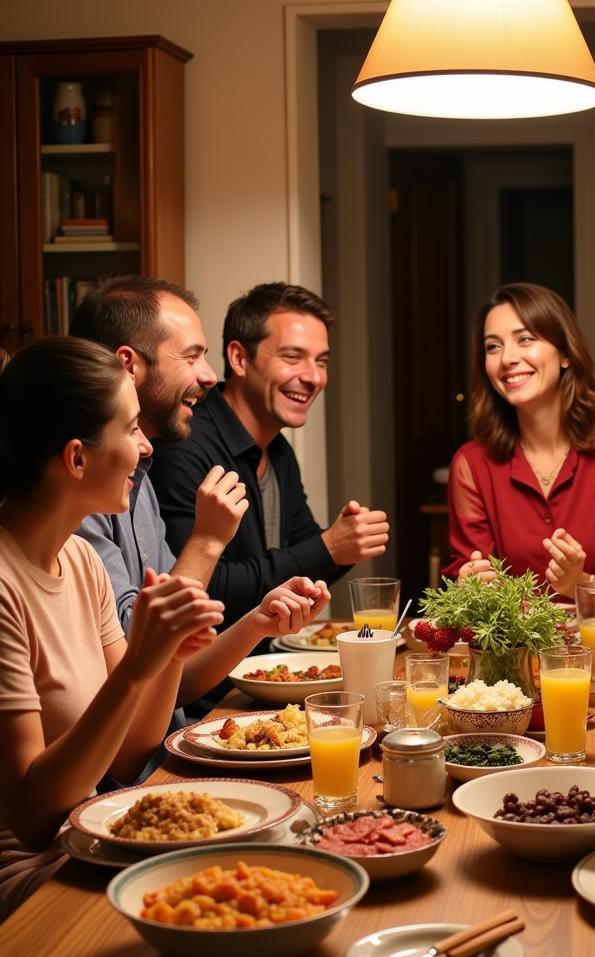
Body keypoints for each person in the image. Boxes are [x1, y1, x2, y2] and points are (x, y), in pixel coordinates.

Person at [0, 339, 329, 920]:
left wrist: (171, 650)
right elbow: (31, 818)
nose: (147, 446)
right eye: (130, 430)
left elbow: (129, 758)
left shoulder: (77, 560)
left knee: (300, 843)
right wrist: (138, 667)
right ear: (77, 458)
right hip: (36, 878)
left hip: (95, 843)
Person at [149, 282, 389, 631]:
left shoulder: (278, 451)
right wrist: (330, 547)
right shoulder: (185, 443)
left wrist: (347, 542)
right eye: (292, 357)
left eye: (321, 361)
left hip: (264, 664)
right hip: (202, 678)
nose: (313, 377)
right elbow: (205, 588)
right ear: (239, 358)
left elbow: (306, 556)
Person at [445, 282, 595, 615]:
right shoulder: (470, 465)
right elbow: (471, 585)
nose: (507, 358)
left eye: (525, 339)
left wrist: (581, 583)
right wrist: (470, 583)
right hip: (514, 658)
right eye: (493, 347)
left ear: (565, 353)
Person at [70, 275, 249, 631]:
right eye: (191, 356)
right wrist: (207, 540)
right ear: (128, 364)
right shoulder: (81, 482)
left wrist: (260, 622)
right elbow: (136, 647)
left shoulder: (141, 474)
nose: (210, 376)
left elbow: (180, 655)